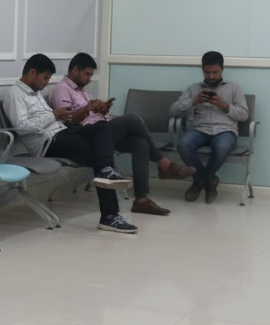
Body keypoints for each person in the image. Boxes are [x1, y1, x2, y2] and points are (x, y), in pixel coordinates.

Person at [4, 54, 138, 234]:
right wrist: (53, 115)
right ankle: (110, 215)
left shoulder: (35, 93)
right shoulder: (15, 94)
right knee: (100, 156)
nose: (46, 83)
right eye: (45, 78)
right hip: (49, 143)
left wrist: (68, 115)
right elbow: (21, 128)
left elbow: (49, 118)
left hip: (63, 132)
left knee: (102, 126)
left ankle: (108, 185)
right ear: (32, 72)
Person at [48, 52, 194, 216]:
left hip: (101, 130)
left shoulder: (82, 91)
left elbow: (89, 114)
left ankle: (141, 200)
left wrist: (101, 110)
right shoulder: (61, 89)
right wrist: (89, 108)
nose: (89, 79)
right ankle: (164, 164)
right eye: (87, 74)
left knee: (140, 144)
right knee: (133, 119)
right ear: (75, 70)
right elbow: (68, 120)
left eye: (91, 75)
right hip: (87, 135)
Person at [169, 50, 249, 204]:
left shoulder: (234, 88)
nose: (211, 76)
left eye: (215, 72)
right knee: (183, 144)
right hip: (199, 129)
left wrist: (224, 105)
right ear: (202, 70)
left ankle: (199, 182)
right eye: (207, 72)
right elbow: (172, 111)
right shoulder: (193, 89)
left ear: (222, 69)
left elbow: (244, 115)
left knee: (222, 147)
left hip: (225, 131)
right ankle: (209, 180)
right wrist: (193, 102)